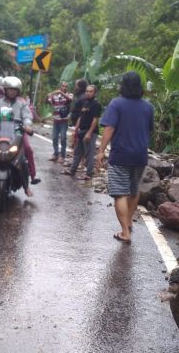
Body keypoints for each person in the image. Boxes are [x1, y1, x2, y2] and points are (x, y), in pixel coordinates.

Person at [96, 71, 154, 244]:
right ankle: (128, 222)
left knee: (119, 193)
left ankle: (124, 232)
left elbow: (109, 129)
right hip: (140, 155)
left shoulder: (116, 104)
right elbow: (150, 129)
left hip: (121, 154)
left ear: (123, 85)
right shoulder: (148, 107)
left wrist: (101, 151)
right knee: (133, 190)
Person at [0, 76, 38, 197]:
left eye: (15, 89)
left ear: (18, 91)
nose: (12, 91)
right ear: (5, 89)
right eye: (10, 89)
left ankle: (27, 185)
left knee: (27, 150)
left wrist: (28, 126)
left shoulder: (22, 104)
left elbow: (27, 117)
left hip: (17, 131)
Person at [62, 85, 101, 180]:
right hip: (81, 130)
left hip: (90, 131)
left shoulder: (96, 104)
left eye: (91, 91)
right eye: (87, 91)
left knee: (89, 153)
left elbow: (95, 120)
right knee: (77, 152)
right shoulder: (85, 102)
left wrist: (89, 133)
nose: (88, 93)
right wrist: (76, 130)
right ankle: (72, 170)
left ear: (95, 93)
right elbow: (80, 117)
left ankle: (88, 174)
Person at [47, 82, 73, 163]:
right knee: (54, 138)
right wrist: (53, 93)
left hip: (64, 121)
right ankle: (55, 153)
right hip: (55, 120)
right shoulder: (55, 96)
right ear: (60, 86)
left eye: (66, 86)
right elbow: (48, 99)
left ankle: (62, 156)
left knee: (63, 138)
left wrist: (61, 93)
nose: (64, 87)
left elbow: (70, 99)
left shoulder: (70, 95)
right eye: (63, 86)